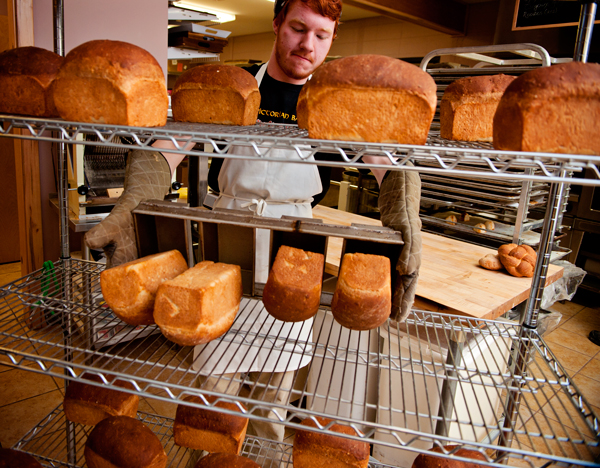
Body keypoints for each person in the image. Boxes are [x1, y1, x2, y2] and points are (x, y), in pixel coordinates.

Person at [85, 0, 422, 463]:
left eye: (321, 35)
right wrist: (127, 207)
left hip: (295, 256)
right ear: (277, 24)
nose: (307, 44)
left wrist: (407, 221)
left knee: (273, 408)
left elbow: (388, 167)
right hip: (227, 252)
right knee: (212, 400)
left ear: (332, 40)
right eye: (299, 28)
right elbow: (167, 149)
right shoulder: (233, 88)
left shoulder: (336, 104)